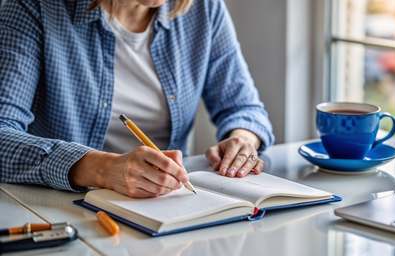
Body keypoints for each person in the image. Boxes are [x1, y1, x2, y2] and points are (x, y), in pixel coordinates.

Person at [0, 0, 274, 198]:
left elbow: (243, 108)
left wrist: (243, 142)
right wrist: (102, 169)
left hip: (165, 209)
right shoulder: (33, 7)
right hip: (60, 208)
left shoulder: (204, 9)